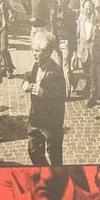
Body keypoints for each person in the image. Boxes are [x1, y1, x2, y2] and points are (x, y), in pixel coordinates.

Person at [27, 31, 67, 167]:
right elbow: (30, 78)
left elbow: (61, 97)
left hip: (51, 121)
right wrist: (26, 83)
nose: (34, 54)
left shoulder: (56, 72)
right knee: (33, 151)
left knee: (54, 155)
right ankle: (45, 171)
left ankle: (56, 176)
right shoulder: (36, 65)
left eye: (37, 51)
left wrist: (44, 93)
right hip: (35, 118)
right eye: (33, 50)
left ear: (48, 52)